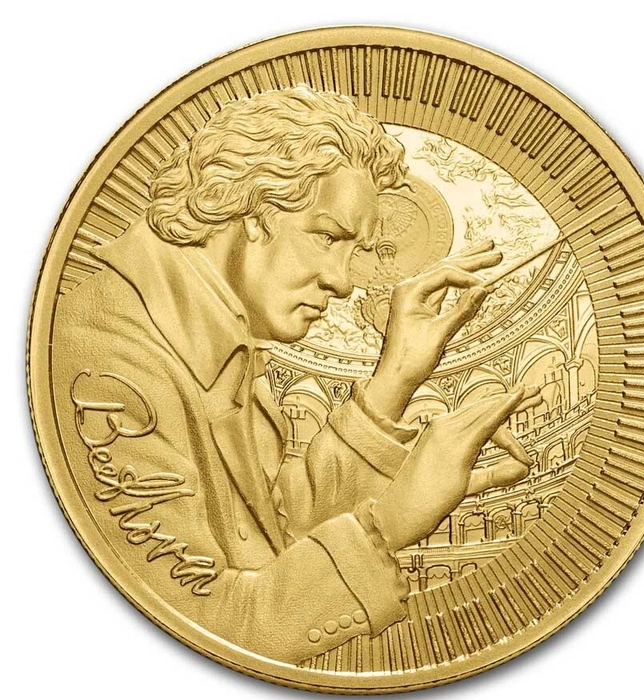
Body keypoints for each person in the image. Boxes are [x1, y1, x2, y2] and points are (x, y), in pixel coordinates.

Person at [53, 85, 540, 664]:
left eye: (352, 251)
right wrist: (392, 520)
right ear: (250, 210)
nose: (343, 281)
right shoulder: (107, 356)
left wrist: (394, 380)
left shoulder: (216, 336)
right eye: (327, 237)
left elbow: (269, 531)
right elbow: (197, 627)